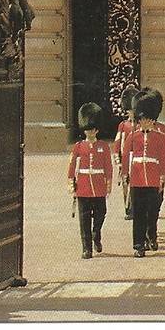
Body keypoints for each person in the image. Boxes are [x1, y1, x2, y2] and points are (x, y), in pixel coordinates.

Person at [122, 88, 165, 257]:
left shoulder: (160, 136)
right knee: (138, 214)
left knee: (152, 212)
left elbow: (164, 158)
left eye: (147, 119)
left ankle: (152, 234)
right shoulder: (132, 136)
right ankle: (138, 244)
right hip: (137, 179)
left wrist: (163, 177)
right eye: (141, 119)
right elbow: (126, 156)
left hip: (152, 179)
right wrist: (125, 175)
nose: (144, 122)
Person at [68, 103, 114, 259]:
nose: (90, 132)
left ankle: (97, 233)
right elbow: (72, 165)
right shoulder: (78, 147)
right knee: (84, 219)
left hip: (99, 186)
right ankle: (86, 248)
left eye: (92, 129)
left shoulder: (104, 146)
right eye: (87, 130)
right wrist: (71, 184)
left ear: (96, 130)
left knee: (101, 213)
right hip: (83, 186)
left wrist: (108, 184)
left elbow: (108, 166)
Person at [114, 86, 140, 220]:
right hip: (126, 158)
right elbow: (118, 143)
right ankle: (128, 207)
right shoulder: (123, 126)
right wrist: (118, 160)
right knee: (126, 183)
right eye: (130, 111)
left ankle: (134, 208)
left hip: (136, 159)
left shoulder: (141, 126)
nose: (131, 113)